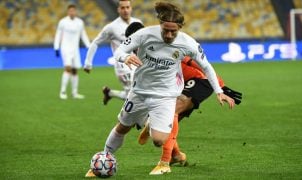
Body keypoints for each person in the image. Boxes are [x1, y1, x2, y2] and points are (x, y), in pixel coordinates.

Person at [85, 2, 235, 177]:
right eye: (166, 30)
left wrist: (219, 91)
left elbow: (207, 66)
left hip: (165, 96)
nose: (169, 34)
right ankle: (104, 158)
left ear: (180, 28)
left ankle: (152, 124)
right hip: (140, 92)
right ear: (160, 24)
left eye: (174, 31)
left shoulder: (189, 44)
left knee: (158, 140)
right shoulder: (144, 34)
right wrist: (125, 57)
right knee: (123, 126)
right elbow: (120, 50)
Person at [138, 56, 243, 175]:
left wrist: (219, 86)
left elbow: (200, 64)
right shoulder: (144, 58)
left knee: (172, 112)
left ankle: (164, 163)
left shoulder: (169, 47)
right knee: (167, 125)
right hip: (179, 86)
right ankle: (176, 155)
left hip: (200, 81)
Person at [83, 0, 142, 104]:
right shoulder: (111, 27)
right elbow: (95, 43)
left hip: (136, 63)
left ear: (131, 8)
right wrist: (88, 62)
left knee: (133, 94)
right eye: (123, 8)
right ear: (118, 9)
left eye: (127, 7)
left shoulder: (137, 23)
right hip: (122, 65)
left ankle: (110, 93)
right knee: (135, 95)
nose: (125, 10)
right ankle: (137, 119)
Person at [54, 4, 90, 99]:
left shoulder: (79, 22)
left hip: (75, 49)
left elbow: (83, 35)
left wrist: (88, 46)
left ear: (75, 12)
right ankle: (63, 91)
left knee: (75, 70)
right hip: (65, 48)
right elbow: (58, 34)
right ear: (68, 12)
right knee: (68, 68)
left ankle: (74, 93)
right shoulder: (63, 22)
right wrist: (56, 47)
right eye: (70, 11)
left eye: (73, 11)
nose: (72, 12)